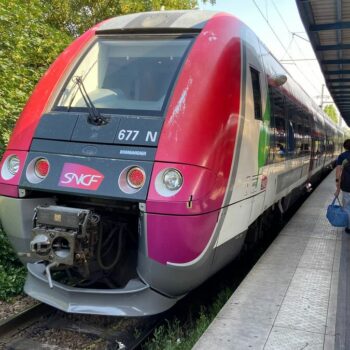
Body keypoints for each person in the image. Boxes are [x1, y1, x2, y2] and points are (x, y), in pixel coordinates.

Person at [335, 139, 350, 233]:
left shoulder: (342, 156)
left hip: (346, 185)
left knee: (347, 207)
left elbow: (338, 172)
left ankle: (349, 227)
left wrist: (338, 186)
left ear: (345, 147)